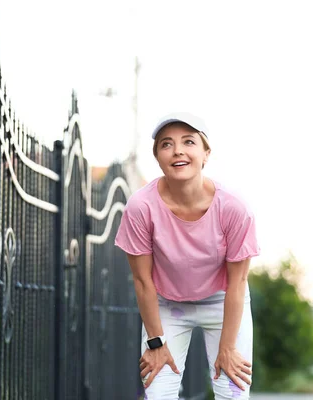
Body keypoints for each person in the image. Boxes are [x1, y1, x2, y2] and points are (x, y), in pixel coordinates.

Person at [115, 112, 260, 399]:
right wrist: (156, 344)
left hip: (222, 301)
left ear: (206, 154)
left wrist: (228, 348)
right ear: (157, 157)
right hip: (167, 305)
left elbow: (238, 282)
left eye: (189, 142)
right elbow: (143, 282)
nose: (178, 150)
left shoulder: (234, 209)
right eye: (166, 144)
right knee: (157, 392)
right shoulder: (140, 207)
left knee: (232, 390)